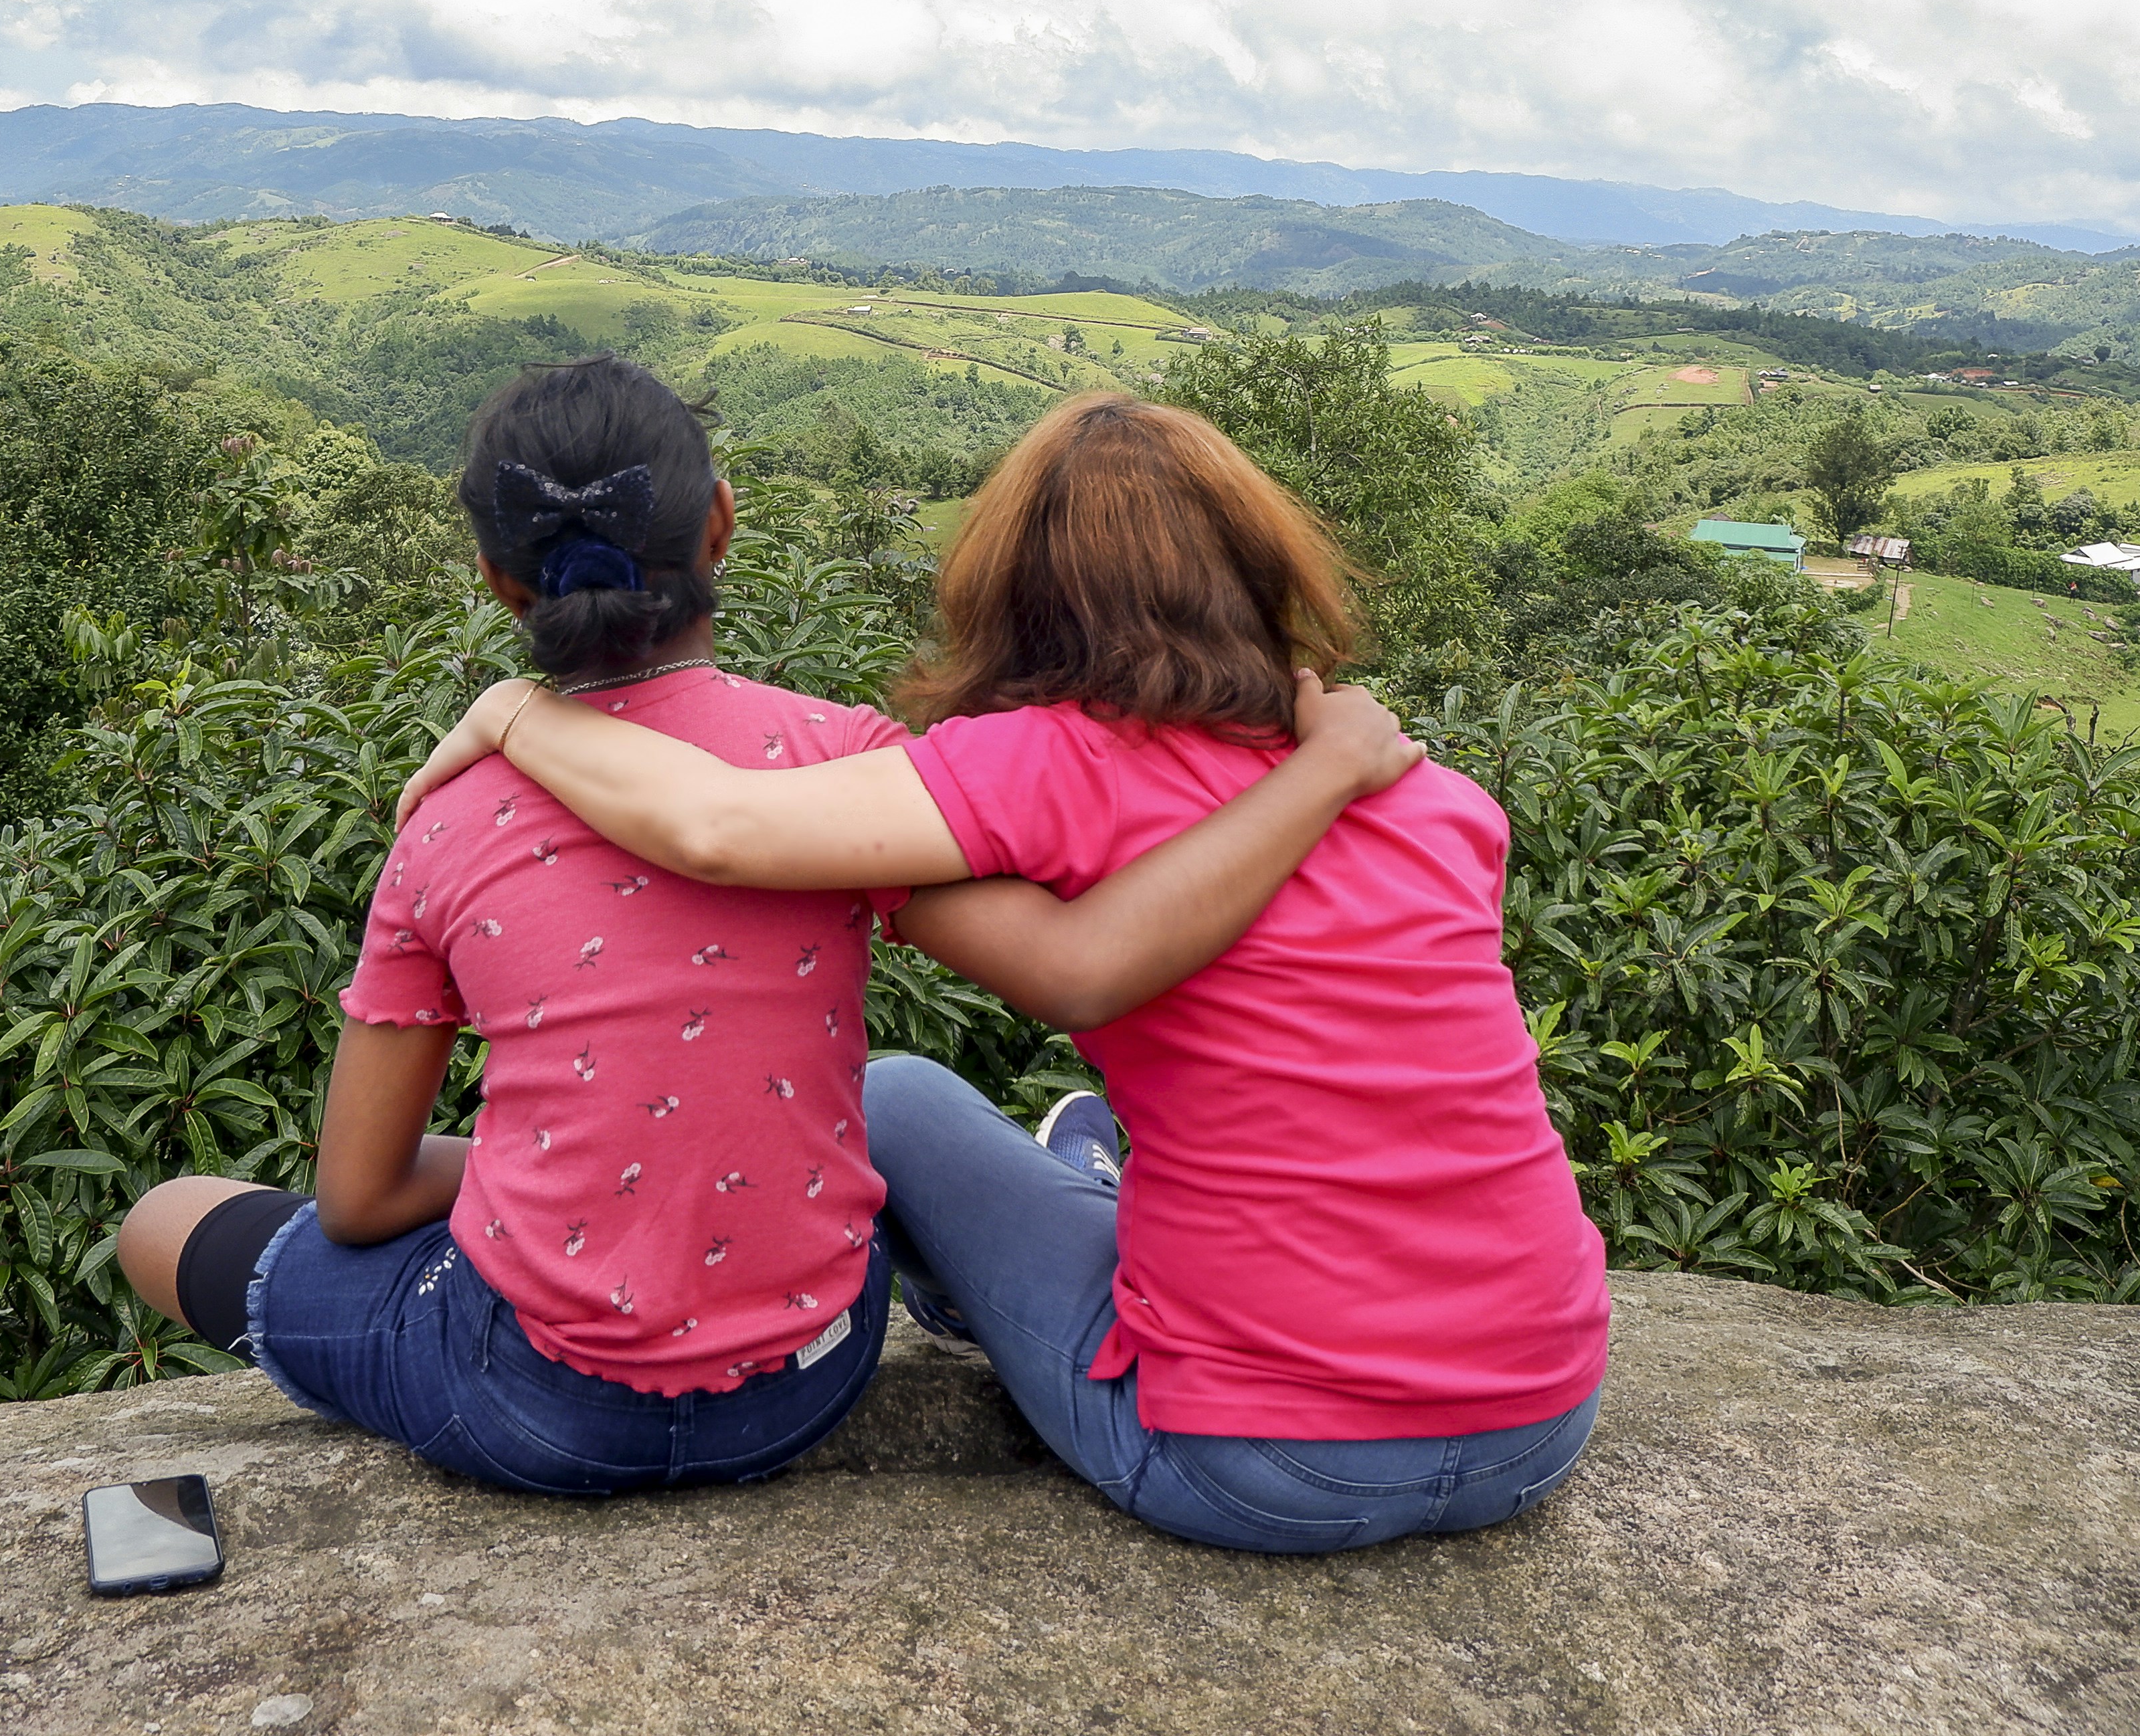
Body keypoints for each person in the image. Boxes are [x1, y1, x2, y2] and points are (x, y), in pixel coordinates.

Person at [117, 358, 1417, 1499]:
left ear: (496, 578)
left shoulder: (444, 824)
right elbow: (1059, 957)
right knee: (895, 1099)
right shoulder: (841, 758)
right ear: (722, 525)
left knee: (167, 1219)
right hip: (805, 1378)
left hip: (537, 1403)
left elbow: (360, 1194)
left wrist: (542, 1156)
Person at [395, 389, 1611, 1552]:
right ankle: (1084, 1177)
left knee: (898, 1099)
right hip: (1545, 1417)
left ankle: (1041, 1232)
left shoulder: (1044, 764)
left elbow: (720, 827)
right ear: (1257, 573)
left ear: (1019, 590)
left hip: (1258, 1463)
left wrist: (518, 713)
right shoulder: (1438, 800)